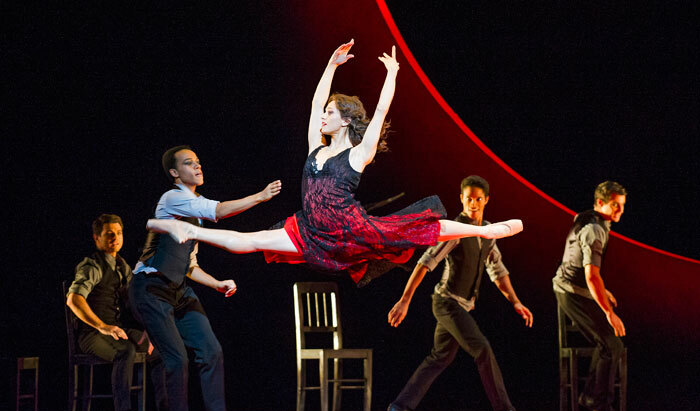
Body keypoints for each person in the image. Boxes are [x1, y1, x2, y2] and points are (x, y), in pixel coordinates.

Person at [146, 40, 523, 286]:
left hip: (352, 231)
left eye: (330, 112)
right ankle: (192, 232)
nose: (322, 116)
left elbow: (380, 111)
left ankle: (484, 232)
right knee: (251, 241)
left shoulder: (358, 155)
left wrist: (392, 75)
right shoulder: (316, 147)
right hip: (311, 231)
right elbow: (313, 105)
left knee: (419, 227)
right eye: (325, 112)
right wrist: (330, 65)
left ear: (344, 119)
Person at [128, 146, 281, 411]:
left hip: (177, 290)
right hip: (150, 289)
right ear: (174, 173)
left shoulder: (193, 216)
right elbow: (219, 210)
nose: (197, 167)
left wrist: (217, 283)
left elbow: (190, 266)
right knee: (176, 358)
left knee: (211, 350)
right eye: (188, 163)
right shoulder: (172, 199)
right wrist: (260, 196)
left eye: (198, 162)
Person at [385, 176, 533, 411]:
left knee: (440, 357)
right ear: (461, 199)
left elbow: (498, 272)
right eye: (468, 198)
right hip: (446, 303)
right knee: (482, 348)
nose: (473, 203)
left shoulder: (488, 232)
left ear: (486, 200)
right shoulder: (455, 230)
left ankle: (400, 405)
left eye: (478, 199)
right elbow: (424, 263)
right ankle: (506, 409)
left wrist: (516, 302)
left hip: (462, 306)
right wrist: (404, 300)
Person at [66, 213, 168, 411]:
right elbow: (73, 300)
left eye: (119, 233)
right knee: (126, 350)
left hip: (116, 330)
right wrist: (103, 326)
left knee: (159, 350)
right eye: (109, 234)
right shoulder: (91, 266)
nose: (115, 238)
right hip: (92, 334)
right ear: (97, 238)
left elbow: (134, 302)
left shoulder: (121, 266)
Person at [552, 181, 628, 411]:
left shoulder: (591, 219)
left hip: (577, 288)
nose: (619, 211)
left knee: (609, 343)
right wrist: (608, 311)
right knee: (611, 344)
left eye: (622, 206)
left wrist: (604, 293)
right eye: (614, 205)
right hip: (569, 290)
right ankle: (598, 403)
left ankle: (591, 397)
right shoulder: (595, 229)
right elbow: (590, 274)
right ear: (600, 203)